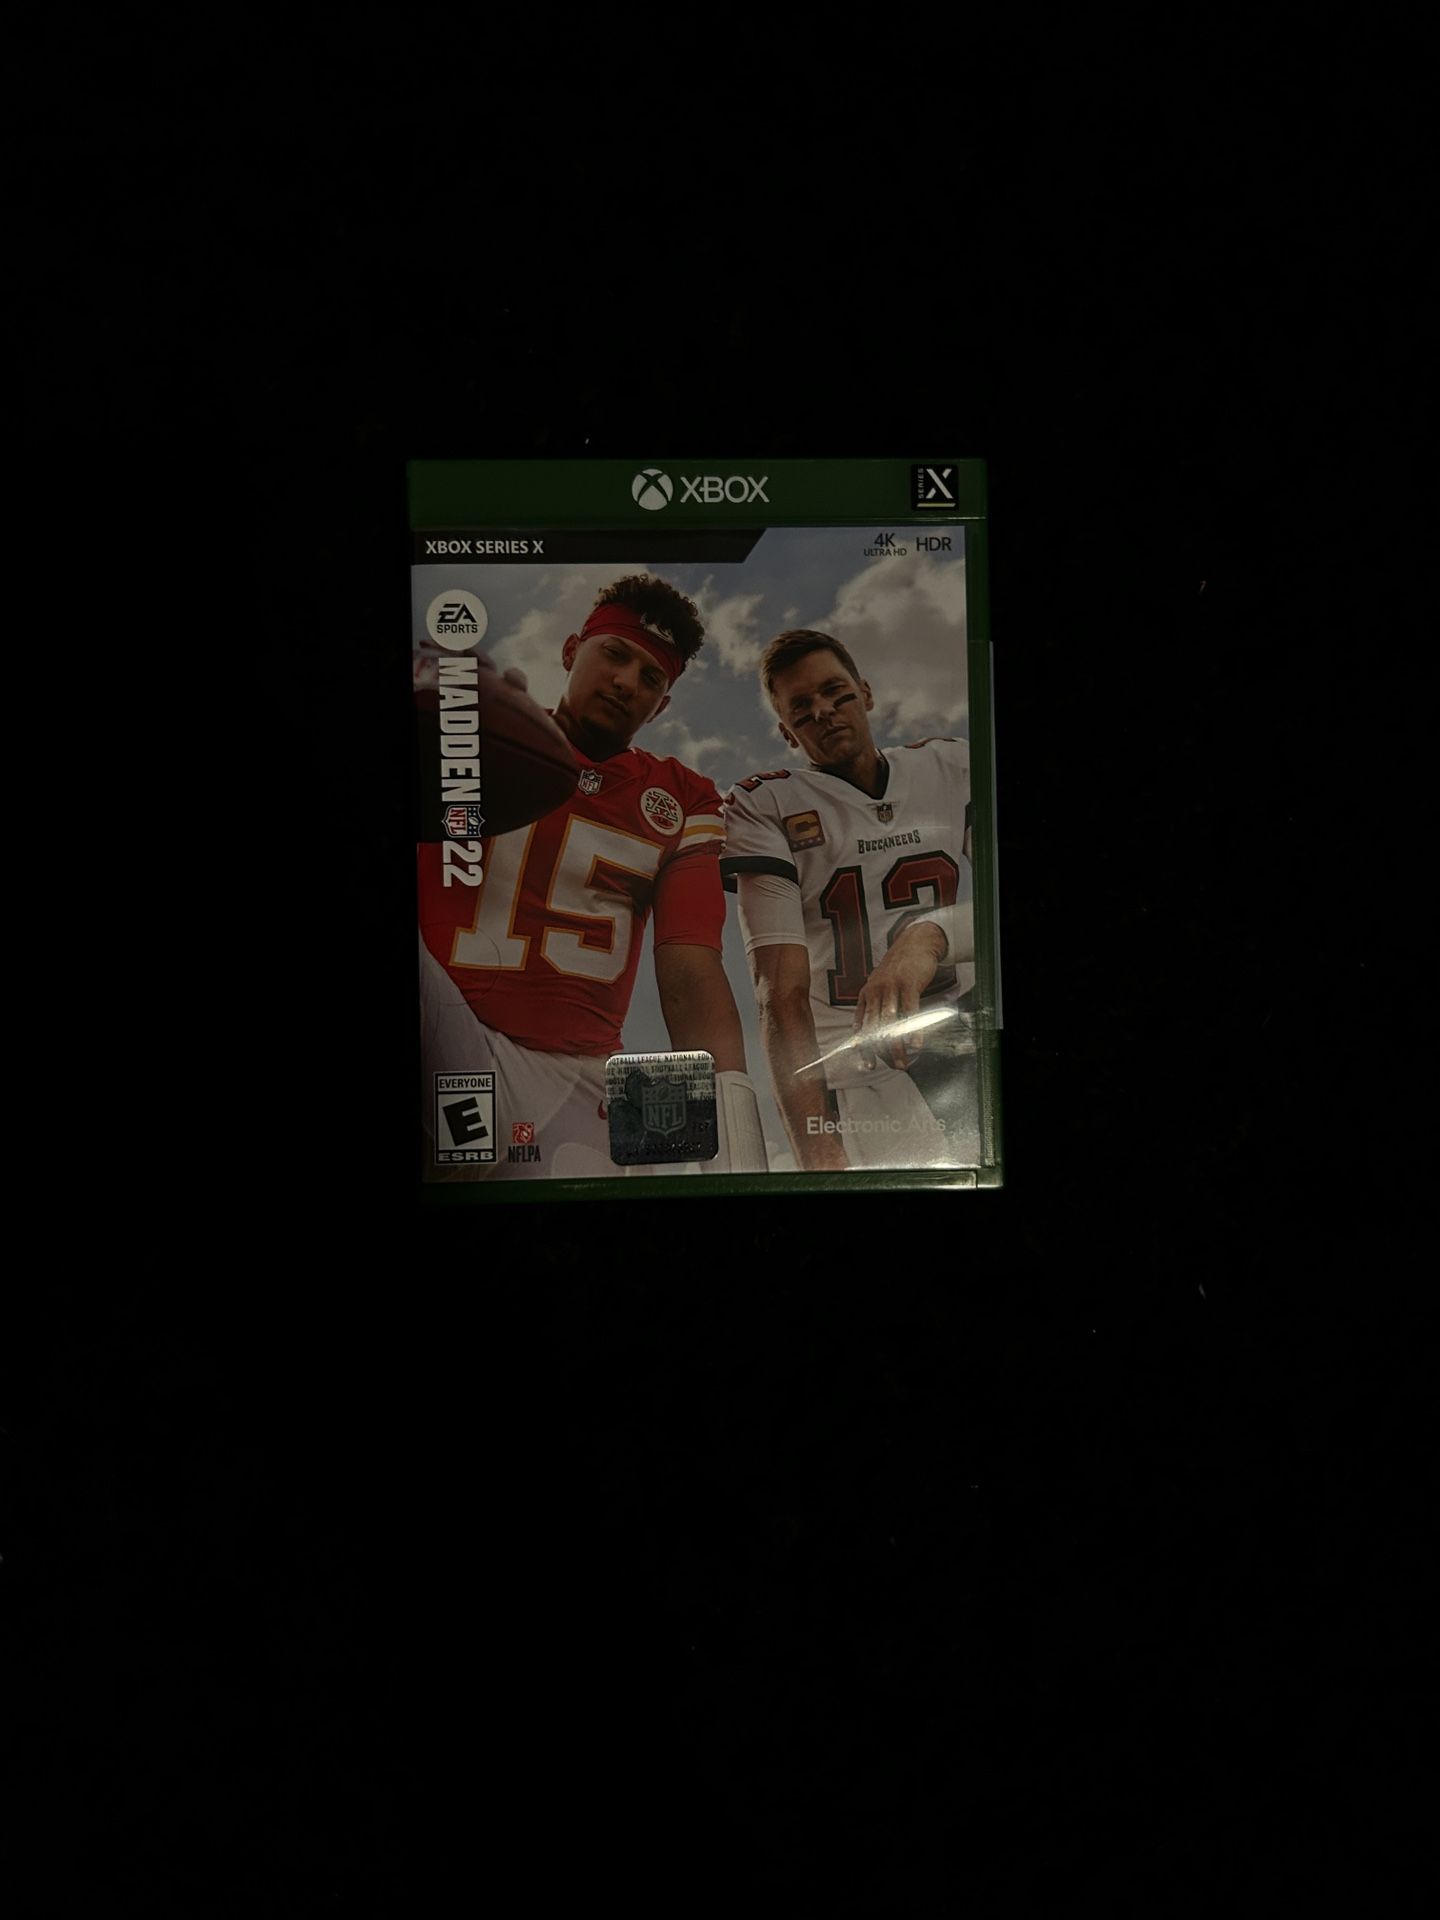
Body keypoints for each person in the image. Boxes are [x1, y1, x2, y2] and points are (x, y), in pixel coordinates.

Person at [418, 575, 765, 1180]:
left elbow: (690, 968)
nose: (627, 681)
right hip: (450, 1031)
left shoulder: (685, 797)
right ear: (571, 651)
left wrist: (734, 1136)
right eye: (615, 654)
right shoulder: (476, 735)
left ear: (662, 706)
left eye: (651, 678)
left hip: (581, 1077)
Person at [720, 629, 978, 1171]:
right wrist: (815, 1147)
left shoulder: (950, 766)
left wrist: (927, 937)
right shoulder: (766, 805)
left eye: (835, 692)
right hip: (863, 1074)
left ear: (866, 692)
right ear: (787, 732)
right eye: (801, 708)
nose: (823, 711)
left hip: (964, 1036)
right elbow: (779, 992)